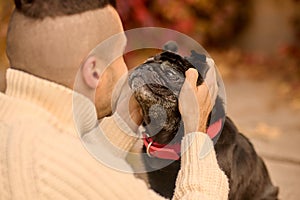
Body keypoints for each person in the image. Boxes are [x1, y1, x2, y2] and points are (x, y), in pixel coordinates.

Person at [0, 0, 229, 199]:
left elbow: (72, 160)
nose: (126, 68)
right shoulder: (62, 168)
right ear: (95, 72)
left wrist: (124, 122)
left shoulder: (18, 129)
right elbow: (77, 173)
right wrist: (196, 132)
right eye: (121, 55)